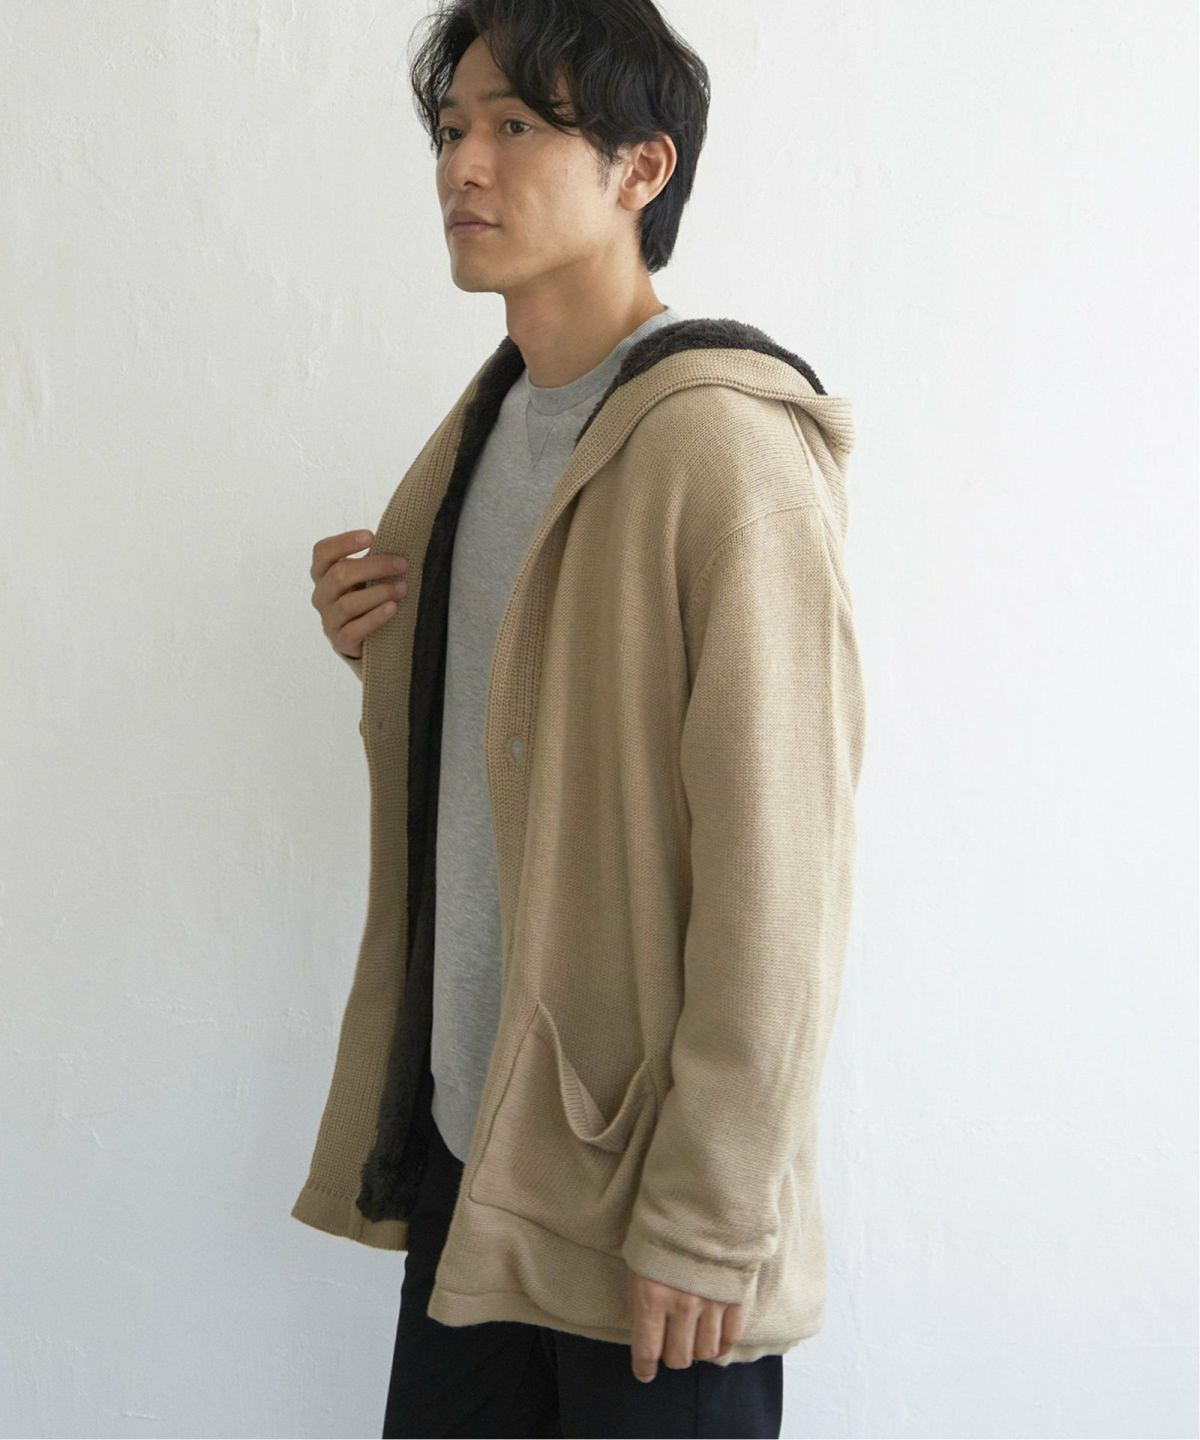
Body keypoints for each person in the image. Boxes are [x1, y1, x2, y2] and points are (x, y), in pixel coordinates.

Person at [298, 3, 865, 1435]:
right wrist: (385, 648)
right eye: (451, 129)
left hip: (647, 1217)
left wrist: (711, 1215)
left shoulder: (723, 453)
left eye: (516, 126)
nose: (462, 166)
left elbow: (783, 873)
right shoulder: (485, 434)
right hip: (478, 1166)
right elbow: (539, 737)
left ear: (641, 167)